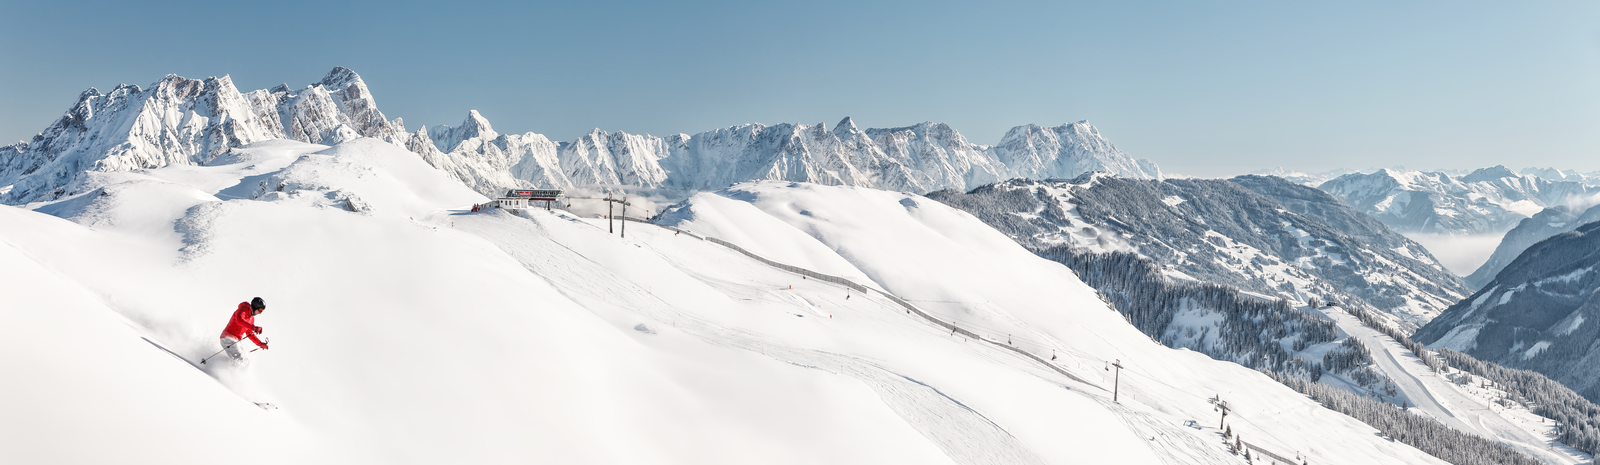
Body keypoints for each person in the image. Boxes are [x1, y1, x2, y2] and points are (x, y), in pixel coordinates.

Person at [220, 297, 269, 362]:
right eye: (260, 310)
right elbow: (239, 320)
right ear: (255, 306)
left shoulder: (251, 319)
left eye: (262, 311)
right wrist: (254, 328)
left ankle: (225, 367)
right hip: (227, 338)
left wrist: (260, 344)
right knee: (241, 360)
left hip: (236, 341)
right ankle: (231, 371)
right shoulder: (243, 309)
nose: (260, 312)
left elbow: (249, 333)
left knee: (246, 360)